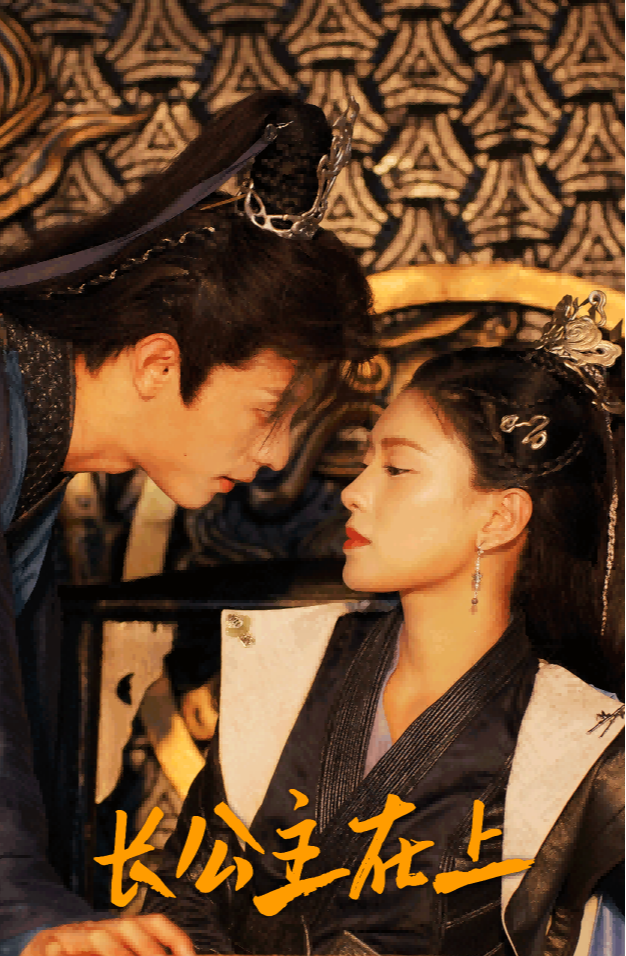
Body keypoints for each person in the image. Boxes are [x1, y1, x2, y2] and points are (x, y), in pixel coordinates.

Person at [0, 91, 373, 954]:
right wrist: (29, 920)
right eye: (267, 411)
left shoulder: (35, 457)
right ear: (159, 364)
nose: (277, 456)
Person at [141, 292, 624, 955]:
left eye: (396, 468)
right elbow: (185, 892)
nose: (353, 491)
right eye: (367, 461)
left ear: (499, 517)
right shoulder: (288, 664)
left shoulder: (579, 746)